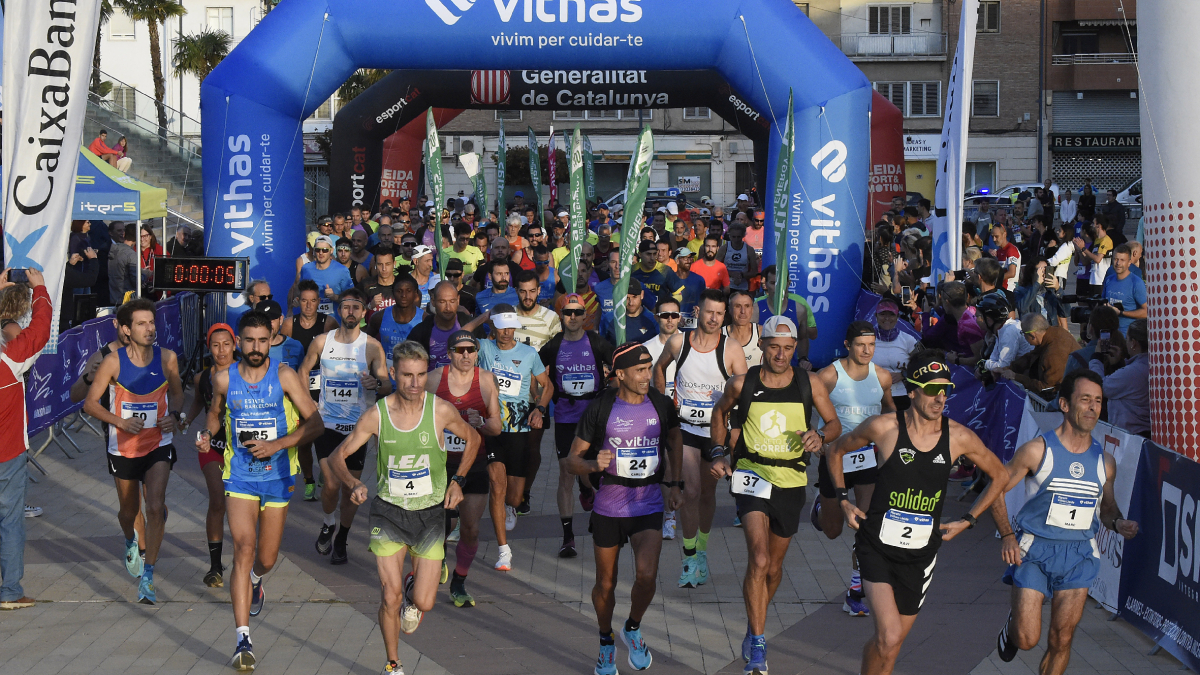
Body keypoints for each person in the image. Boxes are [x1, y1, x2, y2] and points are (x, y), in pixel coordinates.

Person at [827, 350, 1010, 675]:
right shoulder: (884, 427)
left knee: (890, 644)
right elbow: (836, 450)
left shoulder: (959, 437)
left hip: (921, 555)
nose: (940, 398)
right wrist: (843, 499)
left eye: (946, 391)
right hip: (877, 546)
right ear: (911, 390)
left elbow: (1001, 475)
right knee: (890, 634)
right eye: (931, 390)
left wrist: (969, 519)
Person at [328, 341, 480, 675]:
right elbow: (336, 456)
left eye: (421, 375)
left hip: (429, 516)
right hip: (389, 512)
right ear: (393, 373)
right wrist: (353, 483)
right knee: (389, 595)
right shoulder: (377, 415)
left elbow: (474, 438)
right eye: (407, 375)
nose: (414, 383)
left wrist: (459, 481)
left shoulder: (440, 410)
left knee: (424, 601)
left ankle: (415, 593)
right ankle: (393, 663)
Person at [711, 316, 842, 673]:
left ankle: (757, 619)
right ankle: (757, 640)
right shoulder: (743, 383)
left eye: (788, 348)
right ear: (763, 347)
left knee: (775, 567)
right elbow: (718, 413)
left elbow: (834, 424)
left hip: (791, 479)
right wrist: (718, 453)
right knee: (759, 558)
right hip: (752, 474)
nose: (781, 355)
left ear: (795, 347)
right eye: (774, 347)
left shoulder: (809, 382)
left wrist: (821, 437)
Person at [196, 310, 325, 671]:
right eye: (249, 341)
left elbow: (315, 423)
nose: (255, 347)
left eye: (262, 340)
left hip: (278, 476)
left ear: (271, 339)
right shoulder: (223, 380)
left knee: (265, 559)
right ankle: (242, 639)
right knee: (243, 548)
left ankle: (256, 580)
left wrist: (279, 444)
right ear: (239, 342)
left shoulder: (283, 376)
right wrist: (207, 436)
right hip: (239, 477)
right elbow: (214, 415)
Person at [991, 370, 1139, 674]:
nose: (1093, 408)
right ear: (1064, 405)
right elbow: (995, 490)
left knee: (1062, 639)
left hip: (1079, 554)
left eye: (1098, 401)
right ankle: (1014, 622)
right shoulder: (1037, 450)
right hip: (1034, 551)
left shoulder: (1105, 462)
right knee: (1027, 638)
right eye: (1085, 400)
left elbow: (1108, 510)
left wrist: (1118, 523)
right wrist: (1007, 535)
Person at [565, 342, 684, 675]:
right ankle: (605, 642)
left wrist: (675, 484)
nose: (647, 376)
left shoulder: (660, 404)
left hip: (647, 502)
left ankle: (632, 627)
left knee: (647, 578)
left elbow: (675, 439)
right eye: (640, 371)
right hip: (609, 505)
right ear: (620, 374)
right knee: (606, 584)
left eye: (649, 369)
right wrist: (592, 464)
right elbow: (570, 461)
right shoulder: (600, 409)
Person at [83, 298, 185, 604]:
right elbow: (89, 403)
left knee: (155, 507)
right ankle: (131, 540)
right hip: (124, 447)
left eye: (152, 322)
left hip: (157, 444)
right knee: (130, 512)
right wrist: (120, 422)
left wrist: (175, 417)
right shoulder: (114, 361)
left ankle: (149, 576)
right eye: (141, 323)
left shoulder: (167, 358)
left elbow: (178, 395)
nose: (149, 328)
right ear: (126, 329)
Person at [653, 289, 747, 588]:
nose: (714, 319)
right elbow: (659, 367)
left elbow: (745, 390)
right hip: (685, 430)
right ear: (698, 311)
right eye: (709, 312)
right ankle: (689, 557)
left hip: (715, 433)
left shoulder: (731, 349)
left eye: (720, 314)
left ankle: (702, 553)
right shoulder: (679, 342)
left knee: (707, 495)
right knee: (691, 491)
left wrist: (735, 428)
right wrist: (663, 401)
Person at [297, 288, 393, 564]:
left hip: (357, 427)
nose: (350, 312)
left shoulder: (372, 346)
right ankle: (328, 523)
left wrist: (376, 384)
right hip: (327, 422)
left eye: (356, 307)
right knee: (330, 483)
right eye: (346, 307)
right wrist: (308, 405)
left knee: (351, 489)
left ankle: (342, 537)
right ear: (339, 311)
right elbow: (304, 371)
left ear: (363, 313)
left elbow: (386, 383)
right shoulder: (321, 341)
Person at [813, 321, 895, 618]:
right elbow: (806, 409)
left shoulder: (882, 377)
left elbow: (889, 411)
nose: (867, 350)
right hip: (834, 458)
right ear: (847, 345)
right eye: (861, 345)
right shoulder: (829, 376)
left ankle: (855, 591)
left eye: (872, 345)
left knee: (867, 526)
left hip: (867, 459)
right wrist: (816, 437)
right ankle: (822, 505)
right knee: (833, 531)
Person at [426, 331, 501, 607]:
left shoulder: (486, 381)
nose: (467, 355)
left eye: (471, 349)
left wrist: (478, 421)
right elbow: (420, 417)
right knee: (440, 525)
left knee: (470, 529)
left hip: (476, 462)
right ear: (449, 353)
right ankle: (440, 558)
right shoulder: (435, 379)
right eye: (460, 350)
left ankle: (459, 582)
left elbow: (497, 426)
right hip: (442, 463)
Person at [478, 305, 553, 570]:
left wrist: (540, 408)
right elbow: (456, 335)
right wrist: (484, 316)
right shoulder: (484, 349)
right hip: (493, 426)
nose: (507, 333)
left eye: (511, 327)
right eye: (501, 327)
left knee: (514, 497)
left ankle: (511, 506)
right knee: (497, 486)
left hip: (520, 429)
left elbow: (548, 385)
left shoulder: (529, 353)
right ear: (493, 327)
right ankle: (503, 550)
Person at [539, 295, 614, 557]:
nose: (572, 317)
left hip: (593, 417)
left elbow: (618, 364)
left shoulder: (595, 342)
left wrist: (610, 387)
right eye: (568, 312)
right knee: (565, 472)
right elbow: (536, 371)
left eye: (577, 312)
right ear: (561, 315)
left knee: (594, 469)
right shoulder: (554, 345)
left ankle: (590, 495)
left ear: (585, 315)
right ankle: (568, 537)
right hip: (565, 417)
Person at [0, 268, 50, 610]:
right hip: (6, 453)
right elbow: (42, 330)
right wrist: (41, 288)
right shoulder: (10, 357)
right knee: (9, 520)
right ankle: (9, 591)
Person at [183, 324, 236, 587]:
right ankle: (215, 566)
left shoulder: (246, 374)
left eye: (226, 344)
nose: (221, 350)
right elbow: (198, 401)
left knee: (241, 505)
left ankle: (245, 560)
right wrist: (188, 420)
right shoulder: (202, 377)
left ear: (235, 344)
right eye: (215, 345)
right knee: (217, 500)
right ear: (208, 348)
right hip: (212, 446)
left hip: (241, 451)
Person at [281, 279, 338, 499]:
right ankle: (308, 480)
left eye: (313, 301)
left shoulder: (328, 323)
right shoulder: (289, 324)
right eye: (304, 301)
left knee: (326, 435)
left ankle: (326, 471)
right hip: (298, 384)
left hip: (324, 385)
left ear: (318, 302)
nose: (308, 305)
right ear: (298, 301)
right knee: (304, 438)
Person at [1089, 319, 1149, 436]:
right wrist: (1118, 365)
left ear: (1133, 343)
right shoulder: (1153, 365)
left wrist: (1096, 358)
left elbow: (1100, 387)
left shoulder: (1134, 371)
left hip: (1132, 436)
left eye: (1127, 339)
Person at [756, 266, 819, 366]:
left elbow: (803, 338)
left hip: (790, 367)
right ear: (765, 285)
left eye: (781, 283)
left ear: (788, 283)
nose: (778, 288)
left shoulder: (799, 309)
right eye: (773, 283)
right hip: (761, 368)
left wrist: (803, 359)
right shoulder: (755, 308)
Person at [367, 276, 424, 386]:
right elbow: (367, 343)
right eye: (399, 291)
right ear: (393, 293)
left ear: (415, 294)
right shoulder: (379, 317)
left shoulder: (425, 319)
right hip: (385, 382)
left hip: (413, 384)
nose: (403, 295)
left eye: (408, 291)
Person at [1003, 314, 1082, 394]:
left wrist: (1016, 377)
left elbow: (1047, 388)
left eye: (1023, 333)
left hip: (1070, 391)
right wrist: (1008, 369)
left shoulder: (1054, 353)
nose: (1023, 336)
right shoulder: (1052, 333)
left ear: (1033, 335)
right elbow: (1031, 356)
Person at [870, 300, 920, 411]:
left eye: (891, 314)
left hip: (902, 395)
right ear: (876, 316)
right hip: (873, 394)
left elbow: (919, 364)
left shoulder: (908, 340)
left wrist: (903, 374)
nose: (887, 319)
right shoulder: (868, 339)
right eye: (883, 314)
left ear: (897, 317)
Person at [300, 236, 354, 319]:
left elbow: (351, 298)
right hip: (311, 322)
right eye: (318, 250)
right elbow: (298, 291)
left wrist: (334, 297)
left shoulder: (342, 270)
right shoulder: (306, 269)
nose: (321, 253)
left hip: (334, 323)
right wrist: (292, 307)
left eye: (325, 250)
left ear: (331, 251)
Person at [1101, 244, 1148, 335]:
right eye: (1115, 259)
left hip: (1127, 337)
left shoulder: (1136, 283)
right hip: (1108, 334)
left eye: (1122, 260)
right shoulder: (1109, 279)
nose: (1118, 263)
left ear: (1129, 262)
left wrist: (1121, 313)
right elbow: (1103, 302)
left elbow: (1146, 312)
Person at [601, 278, 658, 344]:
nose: (631, 302)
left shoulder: (653, 320)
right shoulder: (609, 318)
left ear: (642, 295)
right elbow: (602, 346)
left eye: (634, 297)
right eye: (626, 298)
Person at [256, 300, 304, 370]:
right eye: (263, 320)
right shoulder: (247, 347)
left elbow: (302, 376)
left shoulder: (296, 346)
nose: (268, 324)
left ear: (281, 320)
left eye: (272, 319)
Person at [725, 290, 763, 369]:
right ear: (730, 309)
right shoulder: (719, 335)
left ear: (752, 309)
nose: (743, 311)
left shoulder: (762, 333)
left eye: (747, 306)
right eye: (738, 306)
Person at [718, 224, 761, 291]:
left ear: (743, 236)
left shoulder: (749, 249)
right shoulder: (724, 248)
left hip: (743, 287)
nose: (736, 239)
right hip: (727, 286)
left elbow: (754, 271)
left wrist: (741, 275)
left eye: (739, 237)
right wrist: (731, 273)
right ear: (729, 236)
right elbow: (716, 267)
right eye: (733, 237)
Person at [107, 223, 138, 306]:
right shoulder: (131, 254)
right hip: (127, 299)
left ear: (124, 234)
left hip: (114, 297)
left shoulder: (113, 250)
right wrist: (145, 274)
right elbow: (136, 280)